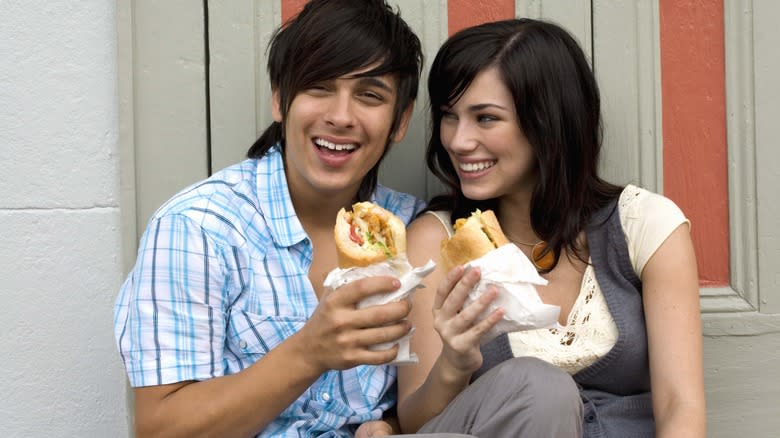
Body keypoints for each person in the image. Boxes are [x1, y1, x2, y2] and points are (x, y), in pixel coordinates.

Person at [113, 1, 427, 436]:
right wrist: (308, 353)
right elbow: (160, 429)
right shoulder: (198, 229)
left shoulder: (415, 229)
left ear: (400, 121)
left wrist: (389, 424)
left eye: (369, 95)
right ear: (280, 99)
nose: (340, 116)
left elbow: (428, 400)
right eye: (318, 87)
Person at [396, 18, 706, 437]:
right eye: (450, 116)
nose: (458, 140)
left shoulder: (644, 224)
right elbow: (416, 423)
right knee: (540, 388)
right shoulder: (436, 240)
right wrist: (454, 361)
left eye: (485, 118)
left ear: (548, 120)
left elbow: (680, 406)